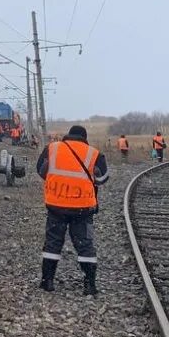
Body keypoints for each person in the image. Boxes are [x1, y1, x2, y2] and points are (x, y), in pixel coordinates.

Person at [37, 124, 108, 295]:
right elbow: (102, 178)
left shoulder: (52, 148)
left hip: (56, 205)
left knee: (53, 242)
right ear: (85, 138)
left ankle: (47, 281)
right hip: (82, 208)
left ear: (68, 135)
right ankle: (89, 285)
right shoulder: (94, 153)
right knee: (85, 245)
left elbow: (40, 171)